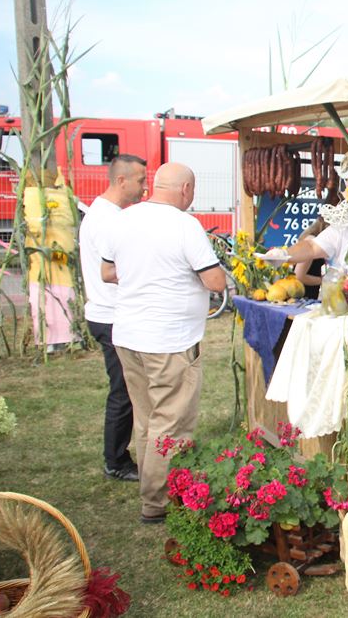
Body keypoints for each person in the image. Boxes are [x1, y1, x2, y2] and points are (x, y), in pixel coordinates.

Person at [101, 163, 227, 525]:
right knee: (171, 422)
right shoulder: (184, 225)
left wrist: (146, 272)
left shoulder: (123, 219)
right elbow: (216, 282)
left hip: (128, 336)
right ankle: (157, 502)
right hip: (169, 340)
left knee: (148, 418)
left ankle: (152, 483)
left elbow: (107, 272)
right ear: (186, 189)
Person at [79, 154, 148, 482]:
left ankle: (119, 456)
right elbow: (112, 272)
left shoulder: (106, 213)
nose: (144, 187)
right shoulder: (107, 219)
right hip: (110, 316)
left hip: (108, 313)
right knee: (123, 391)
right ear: (121, 181)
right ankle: (116, 461)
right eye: (140, 181)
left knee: (127, 388)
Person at [293, 217, 329, 300]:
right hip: (303, 295)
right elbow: (299, 275)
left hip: (307, 294)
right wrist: (324, 281)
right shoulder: (311, 241)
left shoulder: (313, 241)